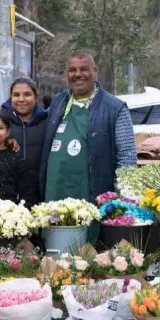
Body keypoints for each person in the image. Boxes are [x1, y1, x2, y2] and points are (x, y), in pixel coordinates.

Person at [39, 51, 136, 205]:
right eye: (72, 70)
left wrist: (123, 198)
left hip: (95, 200)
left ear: (95, 72)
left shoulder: (115, 108)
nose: (77, 74)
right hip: (54, 196)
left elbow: (127, 157)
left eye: (83, 69)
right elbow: (34, 125)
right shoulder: (58, 102)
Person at [1, 77, 48, 206]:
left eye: (27, 94)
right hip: (7, 199)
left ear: (36, 97)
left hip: (40, 198)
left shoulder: (48, 122)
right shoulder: (0, 120)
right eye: (16, 95)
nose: (21, 99)